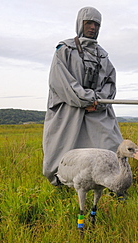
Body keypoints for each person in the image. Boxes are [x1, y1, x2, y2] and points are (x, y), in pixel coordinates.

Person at [42, 7, 123, 185]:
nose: (93, 27)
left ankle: (113, 183)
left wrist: (99, 101)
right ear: (80, 23)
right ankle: (61, 183)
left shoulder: (102, 55)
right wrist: (85, 98)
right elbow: (60, 81)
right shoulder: (65, 49)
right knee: (64, 149)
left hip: (98, 109)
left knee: (111, 144)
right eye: (89, 23)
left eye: (96, 24)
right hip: (69, 109)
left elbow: (110, 82)